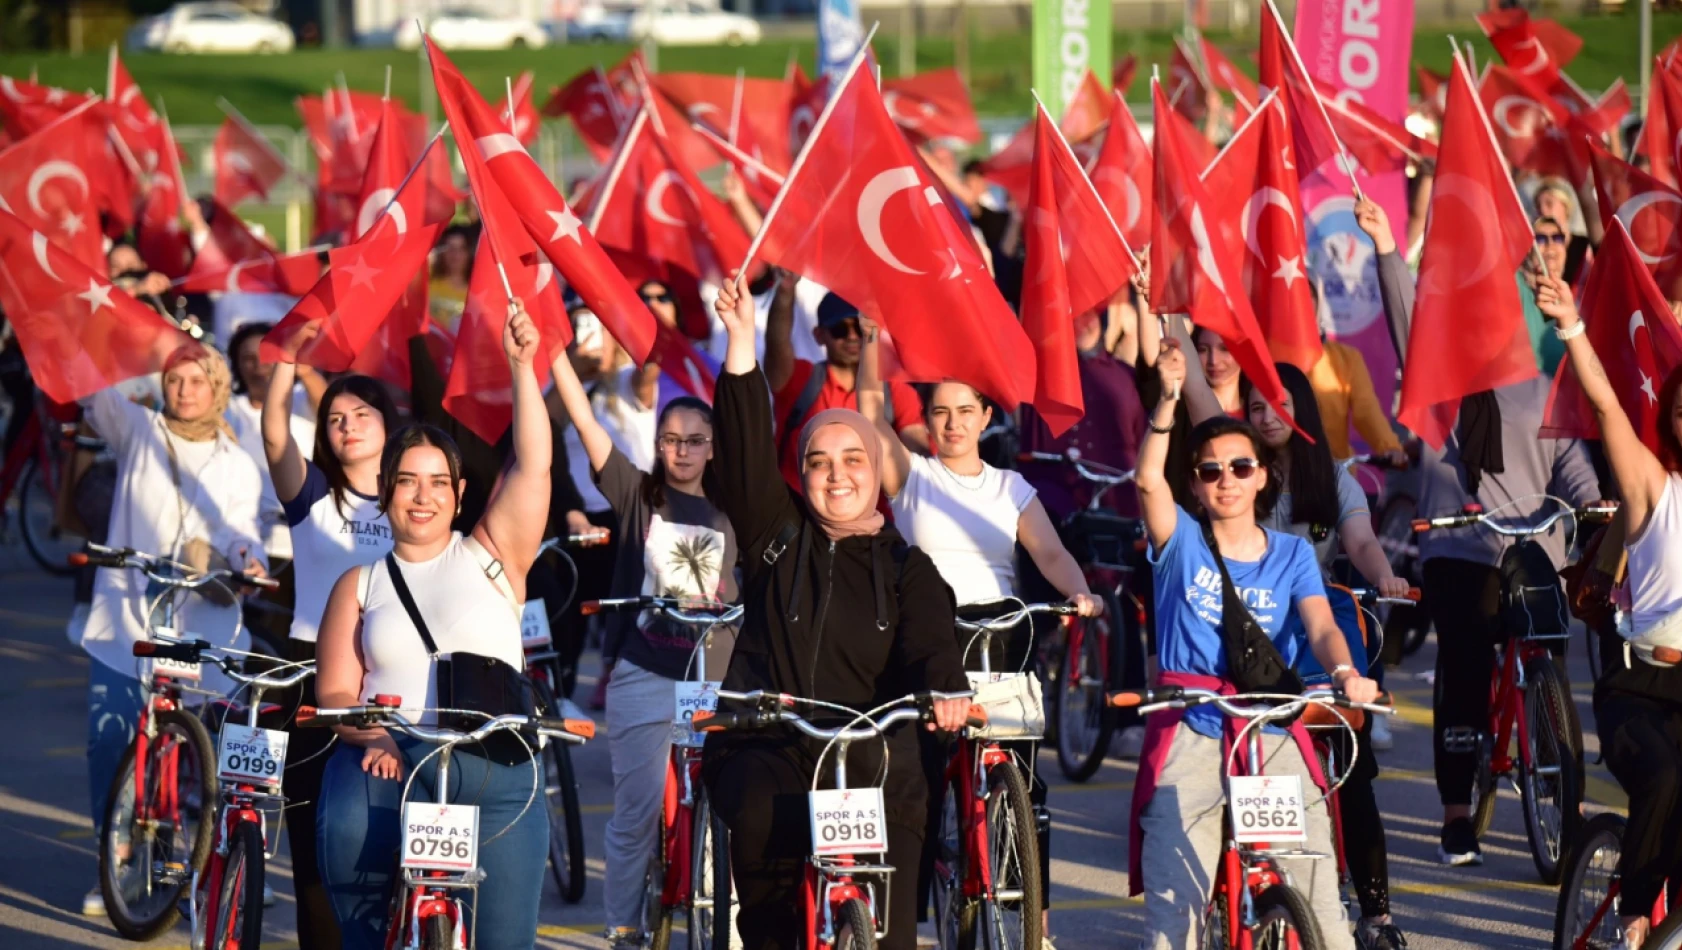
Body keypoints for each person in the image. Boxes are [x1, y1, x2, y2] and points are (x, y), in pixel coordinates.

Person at [705, 275, 970, 950]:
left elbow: (932, 641)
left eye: (854, 458)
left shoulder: (906, 565)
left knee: (898, 872)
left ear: (877, 468)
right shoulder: (776, 535)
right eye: (819, 462)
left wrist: (946, 689)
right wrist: (741, 344)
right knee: (761, 821)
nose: (837, 474)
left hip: (874, 747)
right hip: (772, 738)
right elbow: (740, 458)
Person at [1372, 202, 1604, 866]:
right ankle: (1454, 814)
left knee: (1552, 648)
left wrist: (1592, 505)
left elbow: (1571, 465)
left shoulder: (1538, 389)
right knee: (1466, 661)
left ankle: (1564, 785)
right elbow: (1404, 322)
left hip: (1531, 553)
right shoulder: (1439, 388)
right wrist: (1390, 246)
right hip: (1460, 549)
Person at [313, 301, 551, 950]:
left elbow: (533, 466)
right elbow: (334, 694)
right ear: (385, 492)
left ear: (459, 494)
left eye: (438, 483)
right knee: (346, 842)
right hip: (390, 758)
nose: (423, 497)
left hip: (495, 761)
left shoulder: (493, 554)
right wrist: (375, 740)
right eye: (408, 483)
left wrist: (522, 367)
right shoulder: (357, 585)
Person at [855, 314, 1099, 939]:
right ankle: (907, 919)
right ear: (928, 420)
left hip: (1002, 651)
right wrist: (873, 341)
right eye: (940, 411)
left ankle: (1035, 927)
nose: (953, 423)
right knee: (919, 794)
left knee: (1026, 794)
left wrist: (1079, 593)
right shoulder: (912, 477)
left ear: (987, 417)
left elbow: (1049, 554)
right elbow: (868, 413)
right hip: (932, 651)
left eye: (966, 411)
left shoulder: (1011, 488)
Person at [1129, 340, 1377, 950]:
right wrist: (1166, 400)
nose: (1227, 480)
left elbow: (1321, 627)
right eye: (1210, 470)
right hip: (1191, 726)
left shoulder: (1292, 553)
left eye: (1241, 467)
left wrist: (1346, 673)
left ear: (1262, 474)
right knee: (1175, 914)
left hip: (1269, 723)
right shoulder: (1181, 541)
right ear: (1194, 482)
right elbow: (1145, 480)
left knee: (1319, 897)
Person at [550, 340, 739, 949]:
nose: (681, 451)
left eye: (694, 440)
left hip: (719, 680)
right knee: (633, 819)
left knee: (729, 817)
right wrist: (554, 354)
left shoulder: (739, 507)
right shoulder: (637, 493)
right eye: (670, 439)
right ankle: (624, 932)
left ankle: (726, 933)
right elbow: (584, 419)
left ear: (713, 447)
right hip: (644, 673)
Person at [78, 343, 268, 917]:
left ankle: (177, 868)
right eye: (174, 379)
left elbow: (241, 530)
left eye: (196, 380)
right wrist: (108, 317)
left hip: (196, 622)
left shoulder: (235, 461)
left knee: (189, 753)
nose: (184, 391)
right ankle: (118, 865)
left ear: (217, 387)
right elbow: (92, 384)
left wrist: (247, 558)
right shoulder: (138, 430)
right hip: (126, 621)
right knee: (110, 743)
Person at [1244, 363, 1411, 950]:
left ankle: (1376, 916)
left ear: (1304, 409)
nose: (1268, 417)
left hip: (1326, 629)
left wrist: (1386, 575)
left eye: (1280, 404)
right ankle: (1272, 897)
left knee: (1355, 772)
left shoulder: (1333, 475)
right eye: (1256, 407)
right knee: (1258, 761)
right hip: (1257, 634)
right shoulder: (1240, 473)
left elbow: (1361, 541)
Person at [1537, 274, 1682, 950]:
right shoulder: (1655, 489)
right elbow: (1605, 406)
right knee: (1665, 775)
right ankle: (1631, 913)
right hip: (1639, 685)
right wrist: (1571, 326)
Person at [263, 339, 398, 950]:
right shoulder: (313, 495)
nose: (346, 426)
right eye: (335, 419)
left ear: (388, 424)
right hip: (309, 675)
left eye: (360, 414)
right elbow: (273, 436)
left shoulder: (416, 502)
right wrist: (287, 358)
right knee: (313, 835)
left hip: (393, 677)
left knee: (388, 837)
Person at [762, 291, 929, 490]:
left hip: (878, 517)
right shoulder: (802, 379)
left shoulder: (897, 392)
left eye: (859, 329)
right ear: (819, 335)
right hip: (799, 515)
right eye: (840, 329)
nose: (851, 337)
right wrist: (785, 293)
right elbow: (776, 345)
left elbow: (918, 452)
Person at [427, 225, 474, 335]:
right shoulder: (428, 281)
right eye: (450, 248)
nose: (455, 255)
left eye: (461, 248)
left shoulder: (477, 289)